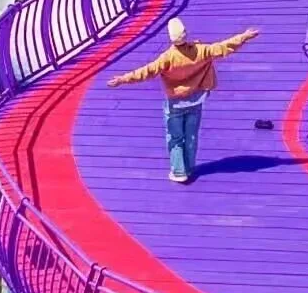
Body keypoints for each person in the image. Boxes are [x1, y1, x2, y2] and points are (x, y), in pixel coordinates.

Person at [107, 16, 258, 182]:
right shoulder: (200, 50)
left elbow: (146, 71)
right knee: (191, 136)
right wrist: (243, 36)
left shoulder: (167, 58)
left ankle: (179, 172)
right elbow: (223, 47)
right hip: (196, 100)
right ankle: (190, 167)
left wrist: (123, 79)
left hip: (175, 104)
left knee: (176, 138)